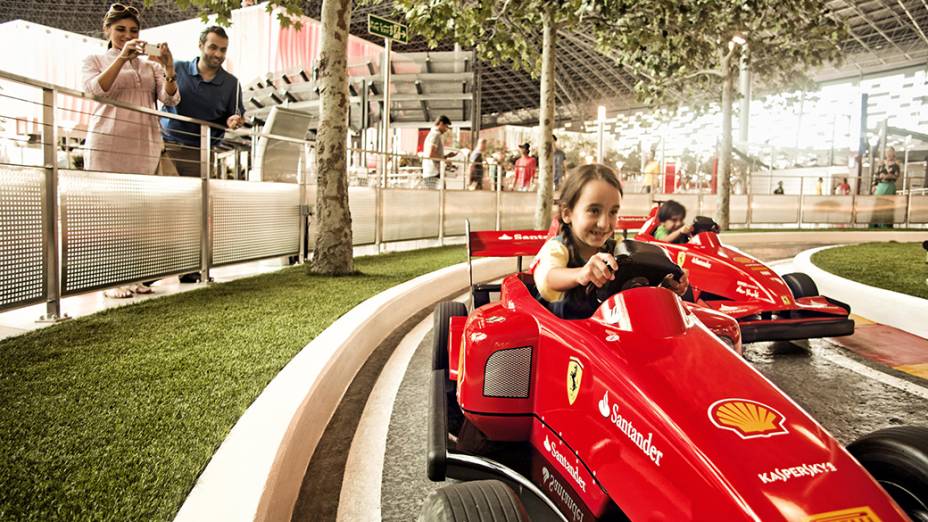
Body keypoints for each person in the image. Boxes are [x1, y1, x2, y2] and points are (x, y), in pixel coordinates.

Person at [82, 3, 179, 298]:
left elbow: (171, 100)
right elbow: (96, 91)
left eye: (133, 30)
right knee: (108, 217)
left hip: (144, 145)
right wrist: (121, 59)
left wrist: (169, 67)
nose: (127, 35)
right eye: (120, 29)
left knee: (137, 216)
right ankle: (108, 280)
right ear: (107, 30)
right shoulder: (95, 58)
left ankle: (131, 275)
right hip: (106, 143)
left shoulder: (150, 67)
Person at [533, 164, 688, 319]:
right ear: (567, 213)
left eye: (613, 212)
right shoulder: (557, 248)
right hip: (564, 334)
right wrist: (580, 274)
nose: (604, 223)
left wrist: (663, 285)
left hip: (607, 333)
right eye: (594, 211)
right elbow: (549, 277)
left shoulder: (619, 250)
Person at [161, 26, 245, 178]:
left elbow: (235, 115)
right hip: (167, 146)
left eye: (223, 50)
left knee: (194, 199)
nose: (218, 54)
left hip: (201, 154)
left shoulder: (232, 84)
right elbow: (161, 95)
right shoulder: (177, 68)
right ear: (200, 45)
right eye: (213, 47)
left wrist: (234, 121)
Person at [420, 115, 455, 189]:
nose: (446, 130)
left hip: (431, 173)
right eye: (446, 126)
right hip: (433, 174)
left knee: (439, 197)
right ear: (441, 123)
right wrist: (445, 160)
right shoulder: (435, 134)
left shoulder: (432, 133)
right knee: (441, 196)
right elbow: (431, 155)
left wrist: (446, 156)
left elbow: (433, 154)